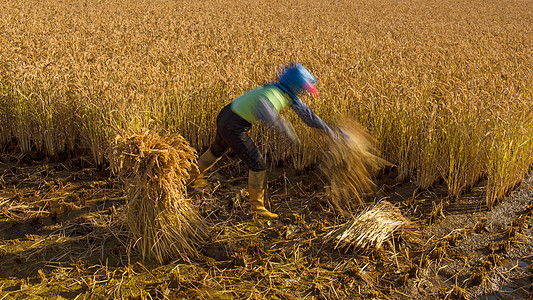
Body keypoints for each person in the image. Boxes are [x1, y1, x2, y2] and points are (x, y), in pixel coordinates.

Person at [188, 63, 334, 219]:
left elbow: (308, 116)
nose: (304, 91)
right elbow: (264, 109)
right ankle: (256, 208)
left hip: (227, 115)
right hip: (233, 125)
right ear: (296, 85)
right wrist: (287, 131)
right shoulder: (274, 94)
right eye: (303, 88)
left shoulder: (283, 92)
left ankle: (190, 178)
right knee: (257, 164)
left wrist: (331, 133)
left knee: (217, 149)